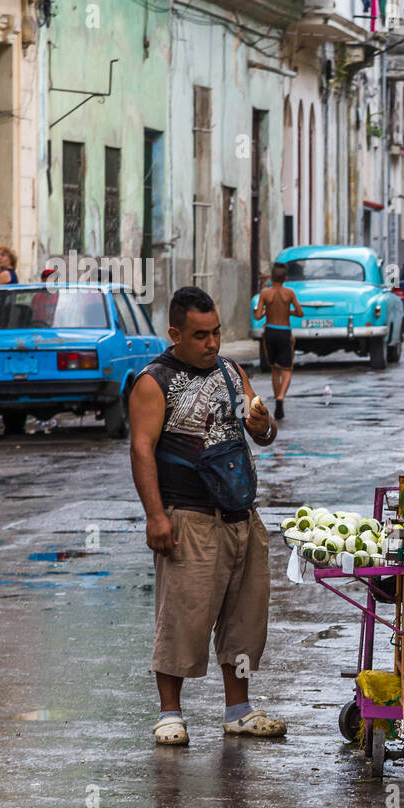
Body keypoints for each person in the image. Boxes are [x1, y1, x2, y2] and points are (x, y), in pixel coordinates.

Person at [128, 286, 286, 746]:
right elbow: (140, 449)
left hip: (240, 516)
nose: (212, 343)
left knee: (244, 620)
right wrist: (156, 517)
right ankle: (169, 714)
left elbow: (263, 429)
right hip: (188, 519)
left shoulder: (231, 373)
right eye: (200, 335)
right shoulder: (152, 382)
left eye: (217, 332)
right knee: (183, 618)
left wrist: (264, 425)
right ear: (175, 333)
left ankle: (238, 710)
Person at [254, 263, 303, 420]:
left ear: (271, 278)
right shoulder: (289, 293)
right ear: (285, 278)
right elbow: (300, 312)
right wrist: (288, 311)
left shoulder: (265, 293)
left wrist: (266, 310)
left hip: (270, 332)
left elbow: (257, 316)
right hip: (284, 332)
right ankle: (281, 397)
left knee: (275, 369)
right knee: (287, 369)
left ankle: (276, 399)